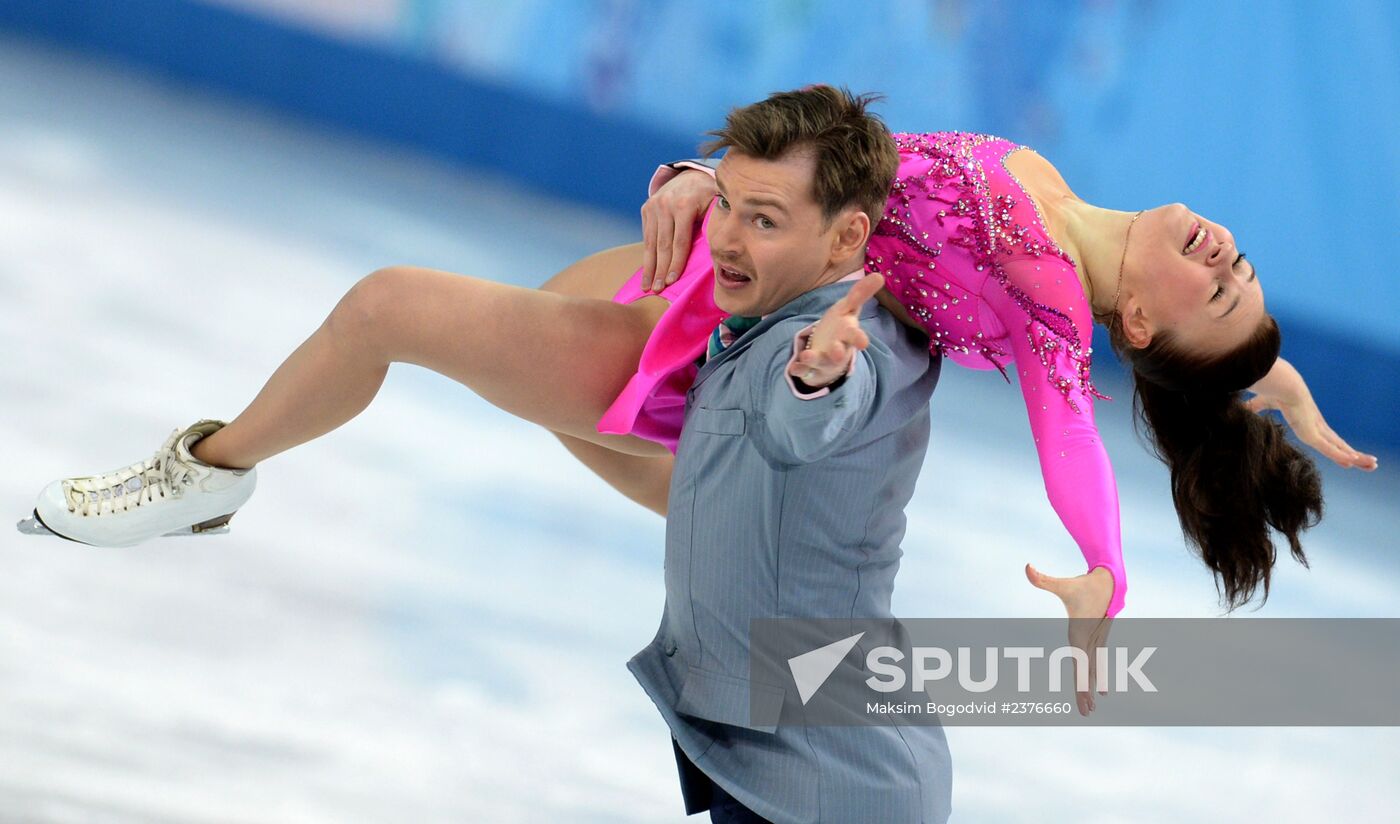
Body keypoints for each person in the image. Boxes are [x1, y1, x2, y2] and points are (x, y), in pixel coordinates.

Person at [25, 87, 1375, 623]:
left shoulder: (1049, 304)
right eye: (1236, 260)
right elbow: (833, 157)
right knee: (562, 313)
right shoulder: (1058, 190)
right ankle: (726, 516)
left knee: (389, 307)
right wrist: (1274, 383)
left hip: (727, 377)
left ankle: (208, 472)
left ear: (1139, 325)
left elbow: (1070, 434)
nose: (1223, 254)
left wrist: (1108, 573)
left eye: (1215, 290)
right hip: (739, 343)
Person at [625, 86, 950, 824]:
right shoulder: (772, 312)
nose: (727, 241)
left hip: (833, 784)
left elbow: (807, 418)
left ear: (846, 239)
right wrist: (690, 176)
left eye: (763, 220)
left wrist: (817, 373)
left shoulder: (855, 345)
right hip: (789, 765)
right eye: (728, 205)